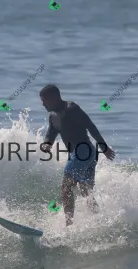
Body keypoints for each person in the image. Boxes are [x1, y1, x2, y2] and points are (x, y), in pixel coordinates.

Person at [39, 85, 115, 227]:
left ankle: (69, 225)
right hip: (84, 155)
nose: (43, 104)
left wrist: (104, 148)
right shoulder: (52, 116)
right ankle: (101, 222)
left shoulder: (71, 108)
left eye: (45, 101)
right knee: (86, 192)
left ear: (54, 97)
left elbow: (90, 126)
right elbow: (51, 134)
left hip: (83, 151)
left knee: (66, 187)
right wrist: (46, 145)